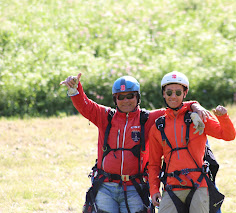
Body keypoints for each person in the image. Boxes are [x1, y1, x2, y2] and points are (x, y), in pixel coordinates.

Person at [60, 73, 210, 213]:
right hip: (105, 186)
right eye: (121, 97)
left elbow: (176, 104)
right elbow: (86, 106)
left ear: (137, 97)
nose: (125, 100)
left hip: (135, 187)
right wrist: (75, 90)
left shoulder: (148, 118)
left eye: (130, 96)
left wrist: (195, 105)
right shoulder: (105, 117)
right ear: (115, 99)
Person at [148, 71, 236, 213]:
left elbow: (228, 135)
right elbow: (153, 164)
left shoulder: (199, 117)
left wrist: (223, 117)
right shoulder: (158, 127)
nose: (173, 96)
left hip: (199, 184)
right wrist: (153, 189)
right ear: (163, 94)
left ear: (185, 93)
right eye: (169, 92)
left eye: (178, 92)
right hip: (172, 187)